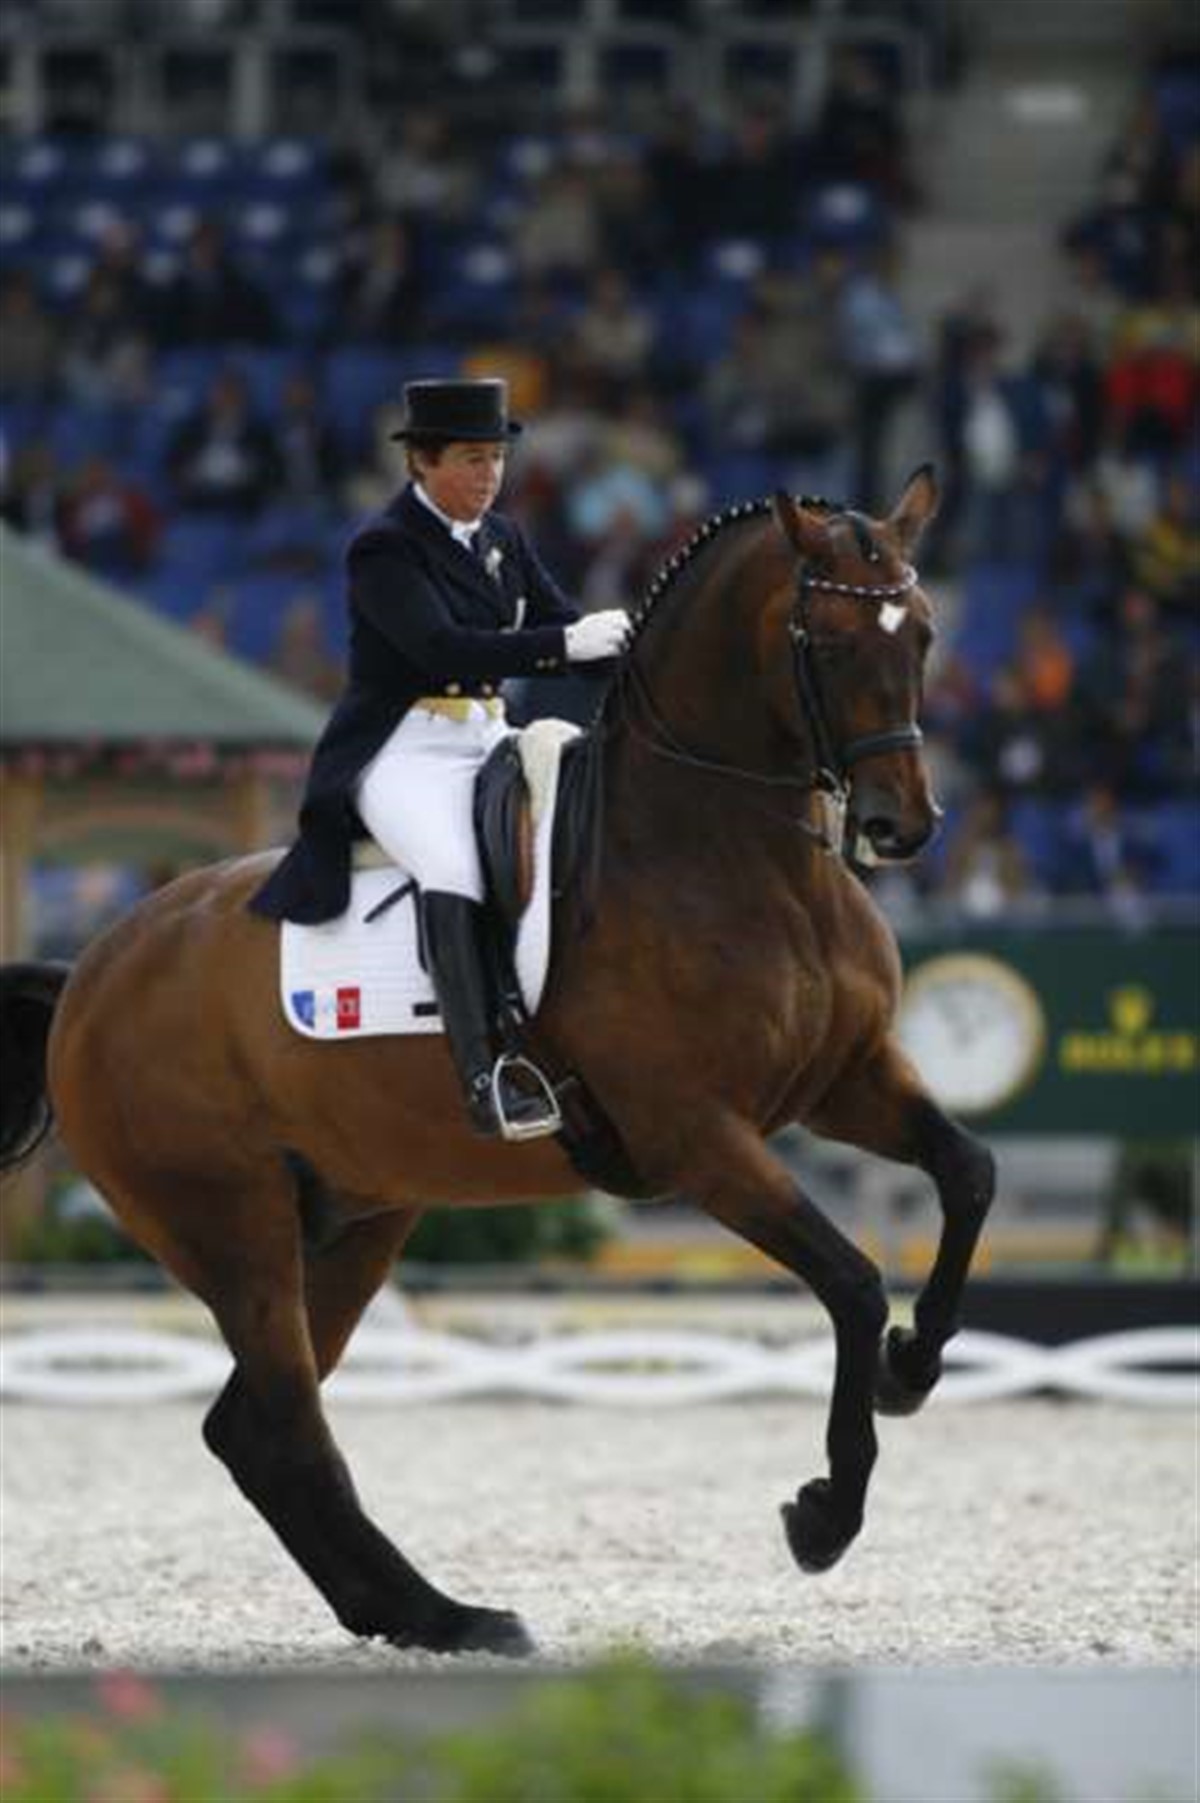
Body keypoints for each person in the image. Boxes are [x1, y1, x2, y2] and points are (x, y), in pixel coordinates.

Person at [250, 378, 630, 1139]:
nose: (490, 475)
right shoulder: (384, 547)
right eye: (471, 459)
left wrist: (634, 651)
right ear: (421, 462)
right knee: (454, 865)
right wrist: (566, 643)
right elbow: (443, 649)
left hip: (489, 736)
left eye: (497, 459)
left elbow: (564, 625)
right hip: (401, 747)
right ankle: (485, 1074)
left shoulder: (503, 538)